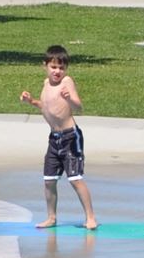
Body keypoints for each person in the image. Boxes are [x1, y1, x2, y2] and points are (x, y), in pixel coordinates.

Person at [20, 45, 98, 231]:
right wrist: (31, 101)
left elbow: (79, 107)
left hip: (70, 137)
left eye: (61, 68)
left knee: (75, 179)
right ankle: (51, 217)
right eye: (53, 67)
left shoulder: (67, 82)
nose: (57, 71)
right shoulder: (46, 84)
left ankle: (90, 217)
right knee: (49, 180)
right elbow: (46, 106)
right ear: (45, 66)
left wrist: (69, 98)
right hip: (54, 139)